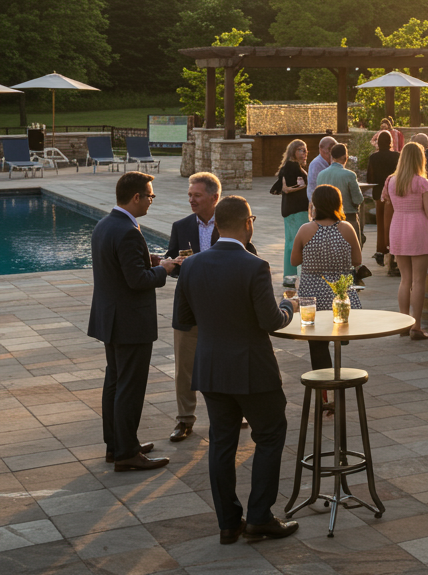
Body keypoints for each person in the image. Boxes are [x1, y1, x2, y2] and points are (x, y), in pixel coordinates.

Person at [174, 195, 301, 543]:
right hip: (252, 369)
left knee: (222, 442)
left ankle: (229, 523)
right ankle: (259, 516)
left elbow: (183, 320)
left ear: (215, 224)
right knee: (271, 434)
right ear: (248, 224)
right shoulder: (255, 266)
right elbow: (271, 322)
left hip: (212, 368)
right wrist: (288, 306)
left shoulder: (192, 266)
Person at [88, 172, 177, 471]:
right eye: (150, 196)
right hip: (130, 323)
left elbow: (119, 265)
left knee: (114, 382)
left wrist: (146, 258)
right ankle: (127, 454)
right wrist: (164, 268)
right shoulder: (127, 230)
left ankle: (117, 445)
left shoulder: (105, 224)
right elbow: (137, 280)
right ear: (136, 197)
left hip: (110, 320)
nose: (152, 200)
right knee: (129, 386)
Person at [165, 172, 241, 444]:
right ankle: (184, 420)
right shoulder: (181, 226)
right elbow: (170, 263)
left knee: (229, 360)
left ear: (214, 198)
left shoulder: (230, 223)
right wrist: (175, 265)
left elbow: (246, 255)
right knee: (185, 367)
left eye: (197, 195)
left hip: (225, 308)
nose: (191, 200)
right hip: (190, 308)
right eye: (189, 195)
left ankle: (237, 411)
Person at [292, 186, 364, 372]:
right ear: (338, 204)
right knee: (338, 334)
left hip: (312, 296)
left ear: (315, 204)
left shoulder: (305, 229)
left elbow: (294, 260)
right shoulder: (346, 228)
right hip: (339, 294)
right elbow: (357, 260)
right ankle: (337, 371)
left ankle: (324, 391)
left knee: (317, 345)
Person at [385, 142, 428, 341]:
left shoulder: (391, 181)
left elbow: (389, 202)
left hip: (398, 226)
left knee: (404, 279)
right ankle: (416, 326)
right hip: (417, 227)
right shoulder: (421, 182)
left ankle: (403, 324)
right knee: (418, 281)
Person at [271, 141, 309, 285]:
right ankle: (296, 276)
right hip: (296, 210)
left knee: (290, 242)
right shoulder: (292, 167)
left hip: (290, 209)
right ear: (293, 151)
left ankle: (290, 276)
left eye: (305, 150)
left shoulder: (289, 166)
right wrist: (306, 186)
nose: (304, 153)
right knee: (297, 243)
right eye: (301, 150)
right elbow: (286, 188)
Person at [366, 131, 400, 268]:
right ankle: (393, 249)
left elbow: (370, 177)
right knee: (394, 222)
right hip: (394, 193)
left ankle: (381, 250)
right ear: (390, 142)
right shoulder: (397, 156)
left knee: (380, 223)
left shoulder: (373, 157)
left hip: (379, 192)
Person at [318, 144, 364, 242]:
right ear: (345, 157)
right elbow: (358, 199)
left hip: (326, 218)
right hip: (347, 216)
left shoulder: (321, 175)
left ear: (332, 157)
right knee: (353, 248)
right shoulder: (350, 175)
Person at [307, 135, 336, 199]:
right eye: (329, 148)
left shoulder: (334, 162)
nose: (331, 152)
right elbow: (313, 186)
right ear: (321, 149)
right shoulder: (316, 164)